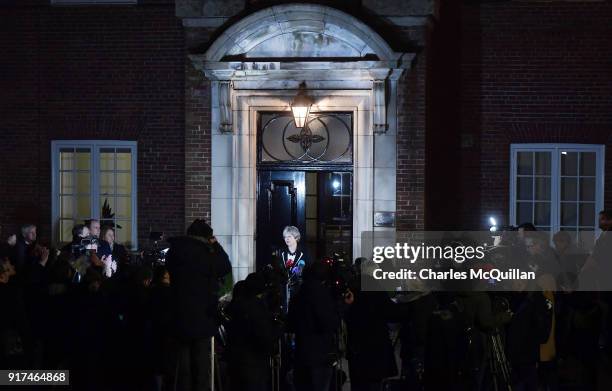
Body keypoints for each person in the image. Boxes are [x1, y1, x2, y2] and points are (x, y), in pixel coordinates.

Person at [165, 219, 232, 391]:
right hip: (202, 317)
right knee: (201, 367)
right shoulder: (205, 254)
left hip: (179, 316)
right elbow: (224, 266)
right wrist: (216, 245)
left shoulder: (174, 252)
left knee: (183, 367)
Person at [288, 261, 340, 391]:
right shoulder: (322, 295)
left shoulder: (298, 295)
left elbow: (290, 324)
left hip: (302, 354)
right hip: (320, 354)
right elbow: (328, 323)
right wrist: (340, 309)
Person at [226, 273, 283, 391]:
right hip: (254, 363)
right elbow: (264, 336)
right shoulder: (255, 308)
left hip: (235, 361)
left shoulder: (234, 307)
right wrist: (278, 329)